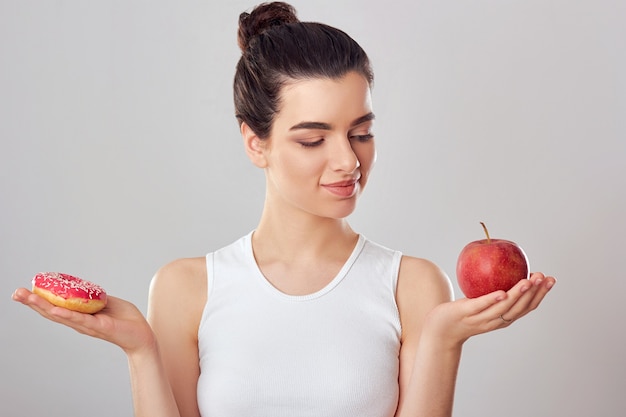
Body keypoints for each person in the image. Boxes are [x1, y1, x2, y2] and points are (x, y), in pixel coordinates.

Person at [12, 2, 556, 417]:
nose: (349, 160)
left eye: (361, 132)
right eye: (312, 140)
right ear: (256, 143)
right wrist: (140, 352)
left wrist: (443, 339)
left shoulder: (413, 285)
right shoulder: (185, 288)